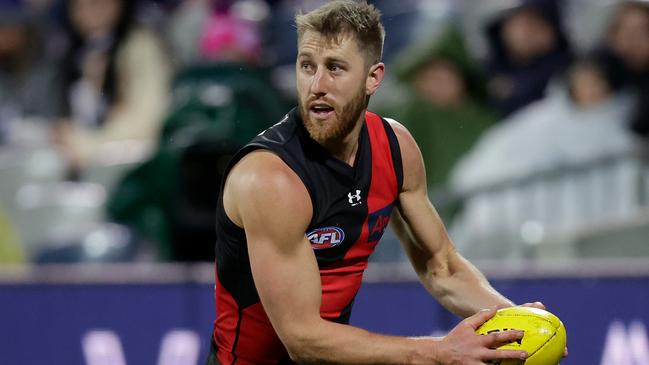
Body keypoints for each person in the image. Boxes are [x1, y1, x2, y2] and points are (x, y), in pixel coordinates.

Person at [208, 1, 547, 364]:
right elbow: (302, 338)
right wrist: (439, 352)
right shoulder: (269, 177)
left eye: (335, 68)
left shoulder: (395, 147)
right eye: (307, 66)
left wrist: (519, 325)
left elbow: (443, 267)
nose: (317, 85)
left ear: (373, 78)